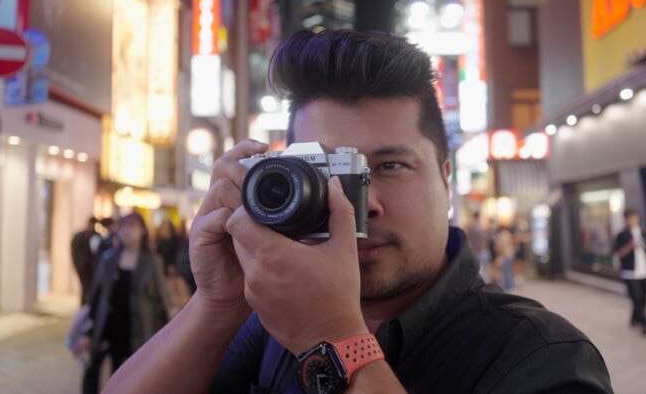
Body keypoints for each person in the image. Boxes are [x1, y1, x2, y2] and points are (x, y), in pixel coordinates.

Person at [103, 30, 612, 393]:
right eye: (330, 172)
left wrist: (337, 340)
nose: (356, 205)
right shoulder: (269, 324)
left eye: (390, 165)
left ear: (446, 176)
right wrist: (216, 305)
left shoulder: (543, 356)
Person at [73, 212, 172, 393]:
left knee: (136, 381)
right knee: (100, 376)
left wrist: (166, 340)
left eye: (132, 226)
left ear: (142, 231)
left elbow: (163, 304)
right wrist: (87, 333)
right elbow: (96, 299)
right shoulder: (108, 260)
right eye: (123, 226)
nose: (126, 231)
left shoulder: (153, 263)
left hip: (140, 333)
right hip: (109, 332)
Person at [612, 209, 646, 336]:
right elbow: (619, 254)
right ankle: (645, 323)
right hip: (629, 273)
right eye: (628, 218)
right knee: (636, 298)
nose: (631, 220)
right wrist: (631, 246)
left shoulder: (644, 233)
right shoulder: (622, 235)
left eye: (633, 217)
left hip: (644, 271)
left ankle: (634, 318)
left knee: (643, 299)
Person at [70, 216, 102, 304]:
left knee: (85, 287)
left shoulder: (77, 235)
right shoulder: (94, 235)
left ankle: (85, 304)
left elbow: (72, 249)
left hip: (79, 265)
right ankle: (86, 305)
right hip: (88, 267)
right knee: (88, 287)